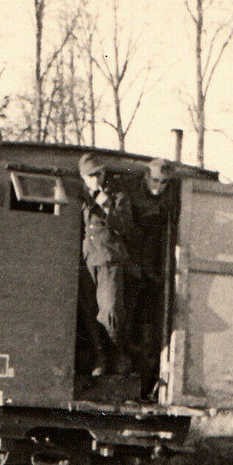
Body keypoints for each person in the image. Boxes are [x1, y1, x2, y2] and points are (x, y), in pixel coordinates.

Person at [79, 152, 135, 376]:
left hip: (109, 259)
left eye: (100, 174)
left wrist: (107, 206)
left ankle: (116, 355)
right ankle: (99, 357)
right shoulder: (81, 195)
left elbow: (126, 227)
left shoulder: (117, 196)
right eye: (92, 175)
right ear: (83, 177)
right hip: (87, 260)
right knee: (88, 311)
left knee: (110, 310)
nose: (97, 179)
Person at [127, 158, 174, 394]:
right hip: (136, 274)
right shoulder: (134, 198)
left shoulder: (168, 198)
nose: (159, 186)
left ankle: (147, 388)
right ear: (146, 177)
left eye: (164, 182)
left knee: (151, 333)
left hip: (152, 279)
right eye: (155, 180)